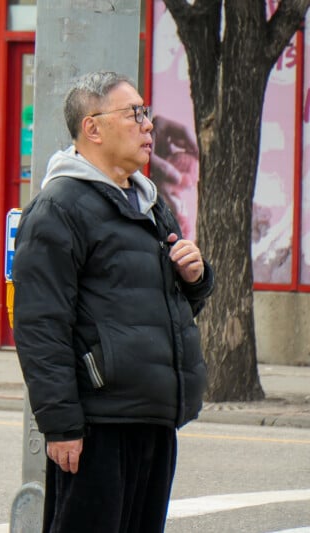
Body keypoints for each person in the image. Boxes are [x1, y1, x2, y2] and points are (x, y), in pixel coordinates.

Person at [11, 71, 215, 533]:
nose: (148, 127)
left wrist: (195, 278)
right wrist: (61, 426)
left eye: (147, 114)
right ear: (93, 128)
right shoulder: (58, 207)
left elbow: (166, 310)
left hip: (153, 415)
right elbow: (40, 327)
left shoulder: (148, 203)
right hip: (98, 423)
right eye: (135, 114)